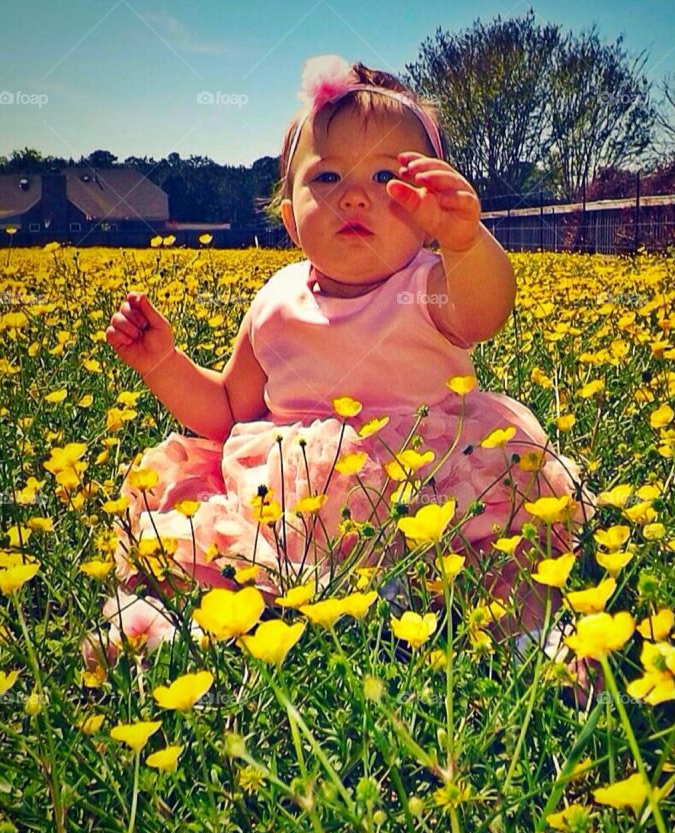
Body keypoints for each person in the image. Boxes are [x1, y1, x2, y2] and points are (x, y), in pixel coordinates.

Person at [89, 55, 596, 674]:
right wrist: (164, 362)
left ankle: (532, 644)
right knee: (230, 554)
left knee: (502, 549)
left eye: (387, 177)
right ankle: (178, 634)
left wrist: (465, 241)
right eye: (326, 178)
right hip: (298, 496)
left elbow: (486, 312)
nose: (354, 194)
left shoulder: (432, 286)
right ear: (288, 215)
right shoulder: (275, 302)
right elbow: (226, 411)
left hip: (431, 483)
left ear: (424, 213)